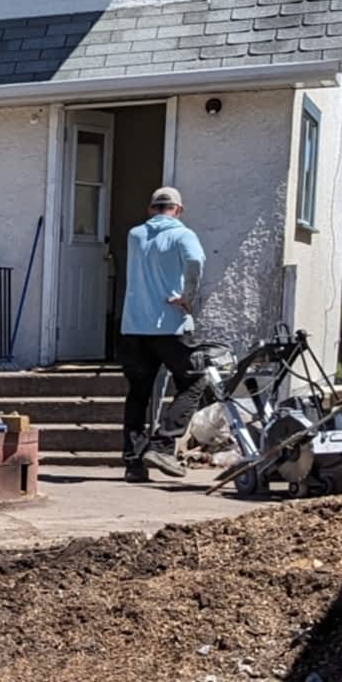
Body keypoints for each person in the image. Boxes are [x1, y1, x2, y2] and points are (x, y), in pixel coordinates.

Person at [118, 187, 206, 481]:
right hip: (169, 325)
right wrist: (187, 297)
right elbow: (196, 262)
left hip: (133, 326)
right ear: (178, 209)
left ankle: (133, 464)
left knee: (138, 393)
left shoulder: (135, 235)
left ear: (150, 208)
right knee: (194, 381)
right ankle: (163, 445)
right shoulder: (183, 235)